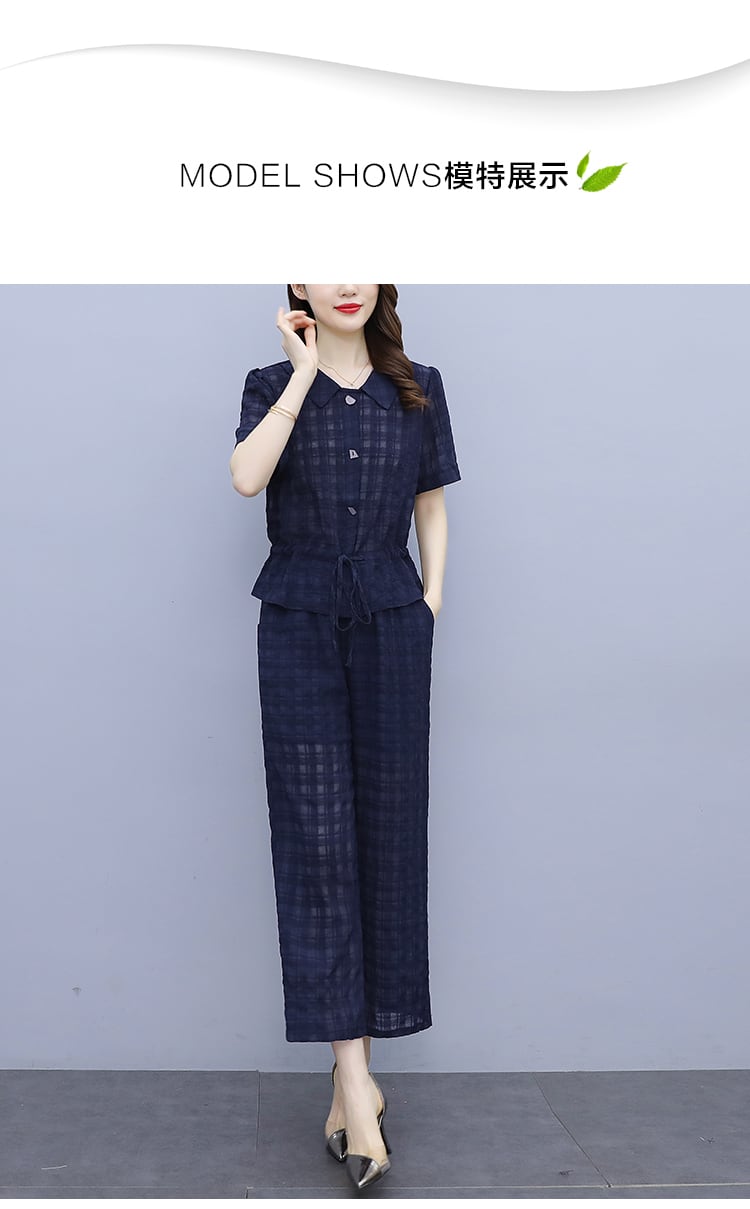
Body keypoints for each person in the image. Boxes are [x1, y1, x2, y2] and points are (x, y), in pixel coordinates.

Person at [229, 284, 461, 1190]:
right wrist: (301, 375)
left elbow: (431, 503)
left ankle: (348, 1083)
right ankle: (357, 1084)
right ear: (299, 285)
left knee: (390, 843)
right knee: (318, 845)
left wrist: (429, 600)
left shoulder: (419, 384)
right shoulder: (267, 383)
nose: (348, 280)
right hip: (296, 626)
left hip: (394, 625)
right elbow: (247, 477)